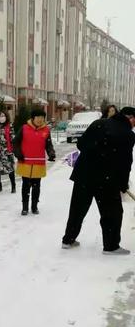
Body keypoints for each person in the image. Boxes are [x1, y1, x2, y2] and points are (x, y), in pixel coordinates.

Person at [62, 107, 135, 255]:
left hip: (84, 175)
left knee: (77, 210)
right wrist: (123, 183)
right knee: (112, 213)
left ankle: (68, 240)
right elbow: (125, 162)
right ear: (131, 118)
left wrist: (94, 152)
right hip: (107, 181)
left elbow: (80, 144)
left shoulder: (98, 123)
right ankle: (111, 246)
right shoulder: (127, 134)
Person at [13, 108, 56, 215]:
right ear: (33, 118)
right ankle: (25, 207)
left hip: (38, 163)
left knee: (37, 186)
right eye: (38, 117)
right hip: (25, 162)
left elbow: (48, 145)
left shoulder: (46, 130)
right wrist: (18, 153)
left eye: (42, 118)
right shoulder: (24, 128)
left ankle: (34, 206)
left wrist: (51, 153)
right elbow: (15, 142)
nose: (40, 119)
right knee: (25, 186)